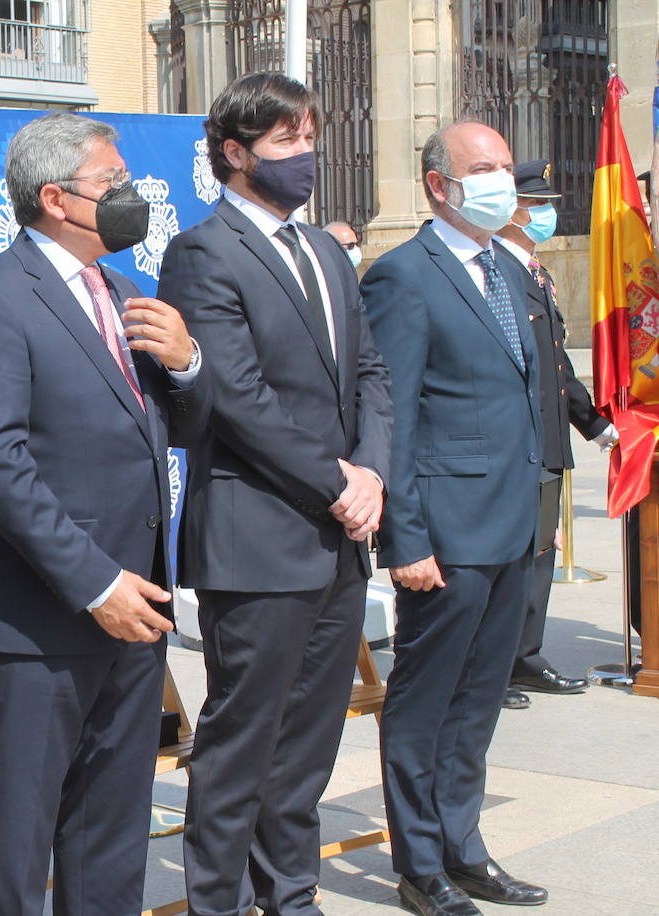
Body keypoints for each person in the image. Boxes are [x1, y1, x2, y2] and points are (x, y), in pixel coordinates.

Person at [0, 112, 211, 915]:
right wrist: (96, 582)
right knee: (19, 838)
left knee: (111, 829)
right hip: (42, 618)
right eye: (113, 185)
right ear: (56, 198)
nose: (131, 198)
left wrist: (187, 364)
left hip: (138, 614)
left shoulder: (130, 295)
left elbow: (180, 433)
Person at [156, 73, 393, 916]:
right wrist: (338, 482)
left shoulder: (326, 250)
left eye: (309, 139)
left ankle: (289, 892)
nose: (307, 157)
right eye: (287, 143)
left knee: (310, 744)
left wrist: (372, 472)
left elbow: (368, 373)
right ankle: (218, 900)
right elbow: (237, 398)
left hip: (340, 538)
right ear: (235, 153)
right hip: (258, 537)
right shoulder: (203, 252)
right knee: (242, 739)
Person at [362, 121, 548, 916]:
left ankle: (464, 847)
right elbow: (390, 414)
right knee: (426, 700)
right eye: (484, 168)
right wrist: (405, 539)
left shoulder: (509, 269)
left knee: (477, 703)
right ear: (440, 184)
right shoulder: (403, 276)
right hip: (444, 531)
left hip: (510, 525)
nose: (502, 181)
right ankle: (421, 865)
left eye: (505, 166)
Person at [493, 159, 617, 710]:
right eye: (536, 204)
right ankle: (488, 669)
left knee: (539, 556)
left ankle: (525, 657)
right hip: (511, 447)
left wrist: (595, 425)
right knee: (505, 561)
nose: (546, 213)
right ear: (511, 208)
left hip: (546, 442)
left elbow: (556, 365)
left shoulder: (533, 271)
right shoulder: (497, 271)